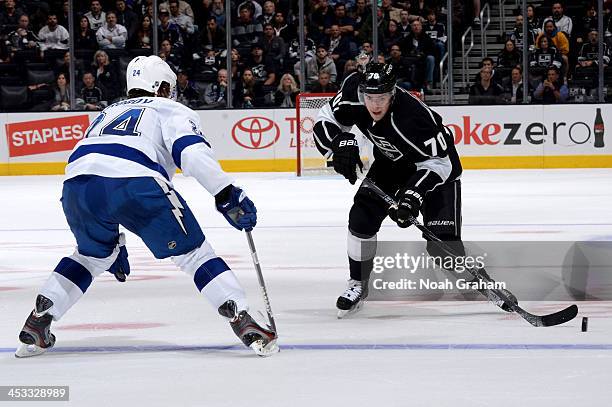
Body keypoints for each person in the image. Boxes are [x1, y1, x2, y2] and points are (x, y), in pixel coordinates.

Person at [15, 55, 278, 359]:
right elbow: (190, 153)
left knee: (90, 256)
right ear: (161, 86)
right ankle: (240, 317)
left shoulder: (105, 112)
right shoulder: (170, 108)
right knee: (193, 253)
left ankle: (40, 317)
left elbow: (97, 163)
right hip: (136, 183)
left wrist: (113, 240)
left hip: (77, 186)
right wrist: (226, 192)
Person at [312, 62, 517, 317]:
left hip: (437, 173)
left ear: (393, 92)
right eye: (370, 97)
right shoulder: (354, 90)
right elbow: (326, 117)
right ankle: (358, 282)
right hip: (390, 165)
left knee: (443, 250)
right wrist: (338, 142)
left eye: (382, 98)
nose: (375, 105)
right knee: (361, 218)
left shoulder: (414, 117)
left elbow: (441, 163)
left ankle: (486, 286)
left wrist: (413, 196)